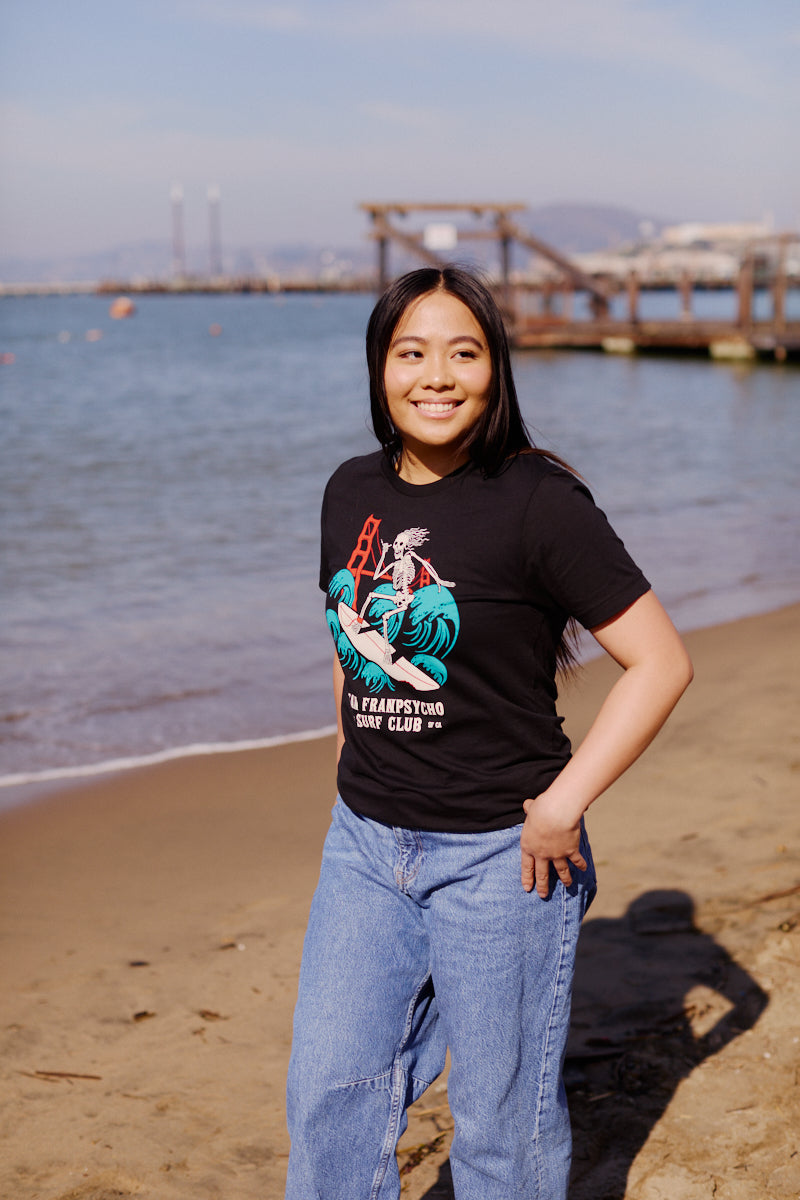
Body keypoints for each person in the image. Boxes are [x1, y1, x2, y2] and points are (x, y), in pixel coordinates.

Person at [285, 266, 693, 1200]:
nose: (437, 375)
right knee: (328, 1093)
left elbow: (662, 662)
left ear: (494, 368)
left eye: (463, 353)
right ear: (380, 370)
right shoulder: (349, 490)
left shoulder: (538, 500)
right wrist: (354, 734)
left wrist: (562, 806)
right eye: (411, 353)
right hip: (363, 848)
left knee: (501, 1128)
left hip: (503, 860)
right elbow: (349, 629)